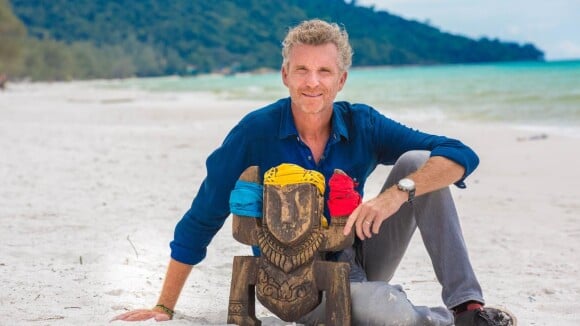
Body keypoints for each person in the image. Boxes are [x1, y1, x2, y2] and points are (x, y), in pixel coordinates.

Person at [112, 19, 515, 326]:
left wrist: (395, 194)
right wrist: (164, 306)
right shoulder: (255, 132)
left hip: (356, 251)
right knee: (388, 307)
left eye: (324, 72)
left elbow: (459, 153)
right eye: (302, 70)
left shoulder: (362, 124)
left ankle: (468, 308)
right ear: (285, 74)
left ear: (340, 80)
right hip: (295, 284)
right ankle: (434, 317)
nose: (312, 83)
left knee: (416, 164)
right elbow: (203, 216)